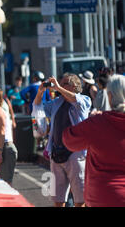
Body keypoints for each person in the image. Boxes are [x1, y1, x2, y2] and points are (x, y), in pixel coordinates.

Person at [62, 74, 124, 207]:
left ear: (110, 97)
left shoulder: (98, 122)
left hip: (103, 196)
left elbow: (69, 139)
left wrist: (89, 120)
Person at [33, 73, 91, 207]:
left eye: (64, 83)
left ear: (74, 86)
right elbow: (38, 107)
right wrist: (40, 92)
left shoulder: (84, 100)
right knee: (58, 199)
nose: (59, 85)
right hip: (57, 153)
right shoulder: (57, 102)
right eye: (60, 83)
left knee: (79, 200)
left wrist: (58, 88)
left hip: (76, 155)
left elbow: (75, 100)